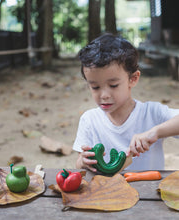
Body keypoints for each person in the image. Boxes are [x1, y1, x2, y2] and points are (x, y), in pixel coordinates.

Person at [73, 33, 179, 172]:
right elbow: (80, 163)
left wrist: (156, 132)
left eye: (113, 85)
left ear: (133, 79)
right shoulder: (89, 120)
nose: (104, 95)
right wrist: (82, 162)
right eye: (95, 87)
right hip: (105, 192)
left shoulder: (152, 113)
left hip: (147, 192)